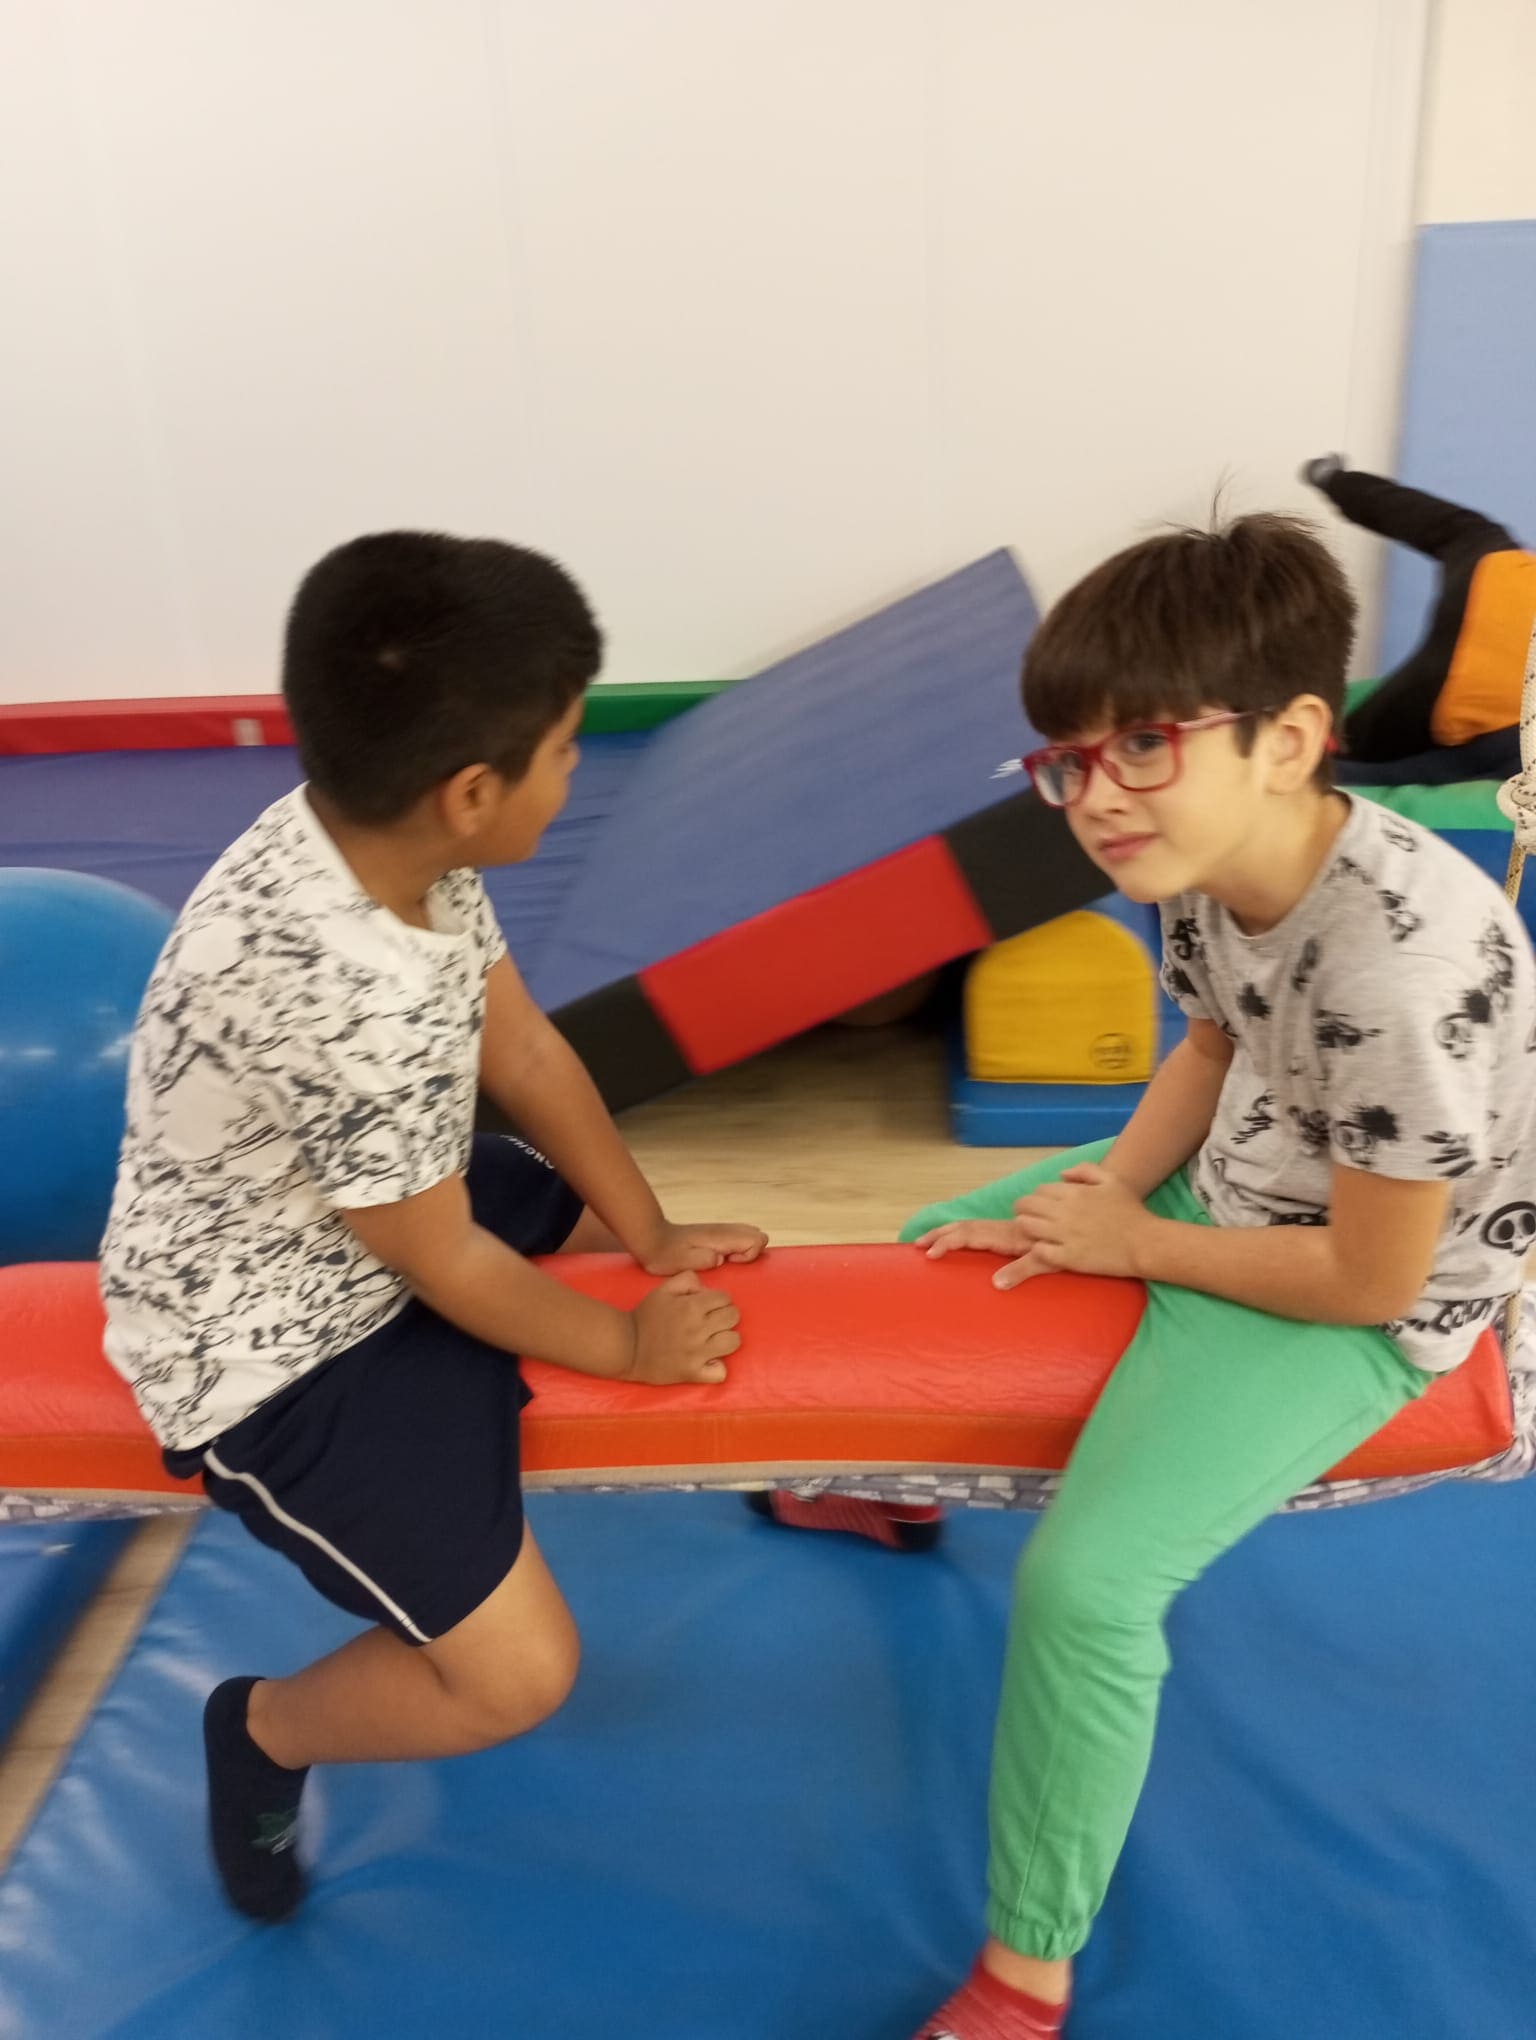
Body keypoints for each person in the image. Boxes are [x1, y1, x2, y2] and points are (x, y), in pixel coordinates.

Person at [901, 512, 1536, 2038]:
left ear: (1289, 739)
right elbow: (1206, 1043)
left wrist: (1138, 1245)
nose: (1096, 796)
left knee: (1087, 1587)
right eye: (1070, 760)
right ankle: (886, 1483)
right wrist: (1108, 1189)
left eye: (1142, 746)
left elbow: (1371, 1284)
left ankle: (1026, 1969)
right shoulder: (1198, 855)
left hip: (1373, 1291)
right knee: (936, 1247)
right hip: (1237, 1176)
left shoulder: (1400, 965)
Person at [99, 532, 767, 1922]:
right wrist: (628, 1347)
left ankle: (791, 1458)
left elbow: (520, 1046)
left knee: (556, 1188)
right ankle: (264, 1730)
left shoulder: (393, 848)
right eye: (567, 751)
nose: (576, 772)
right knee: (517, 1675)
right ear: (471, 792)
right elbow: (442, 1256)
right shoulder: (345, 987)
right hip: (273, 1351)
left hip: (363, 1212)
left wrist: (648, 1234)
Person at [1301, 455, 1536, 779]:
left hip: (1502, 577)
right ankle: (1326, 757)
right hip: (1479, 689)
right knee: (1375, 734)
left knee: (1459, 527)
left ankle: (1332, 479)